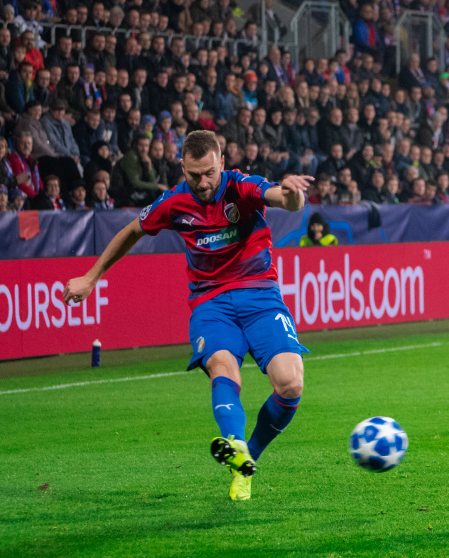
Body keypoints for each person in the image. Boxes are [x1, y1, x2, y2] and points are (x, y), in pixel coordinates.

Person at [64, 131, 313, 502]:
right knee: (222, 366)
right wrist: (91, 277)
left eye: (210, 173)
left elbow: (283, 199)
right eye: (195, 175)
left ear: (222, 163)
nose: (203, 182)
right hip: (211, 303)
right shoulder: (174, 201)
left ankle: (247, 458)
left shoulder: (241, 186)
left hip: (260, 295)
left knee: (291, 383)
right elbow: (131, 231)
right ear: (182, 167)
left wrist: (293, 194)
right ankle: (234, 443)